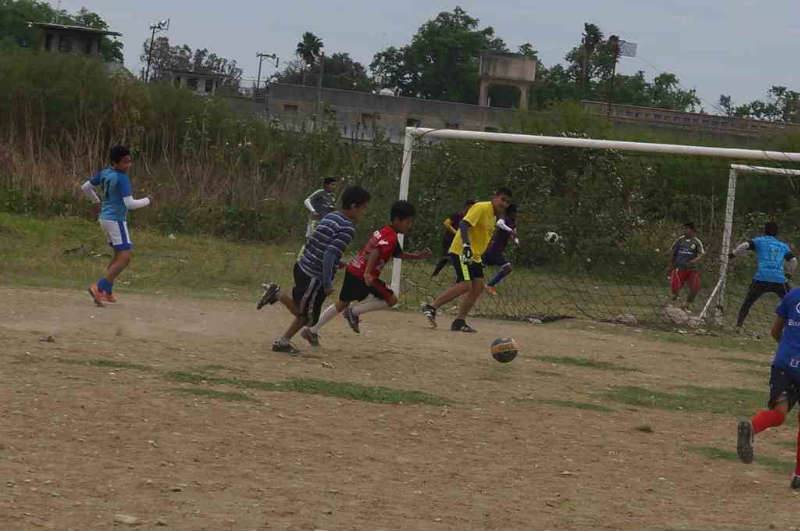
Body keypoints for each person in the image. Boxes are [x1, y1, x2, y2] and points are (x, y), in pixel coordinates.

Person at [257, 186, 371, 355]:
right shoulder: (347, 228)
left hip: (302, 265)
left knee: (305, 313)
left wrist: (335, 263)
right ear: (354, 206)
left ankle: (282, 332)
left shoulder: (331, 216)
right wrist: (327, 282)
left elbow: (317, 242)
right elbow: (329, 254)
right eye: (364, 207)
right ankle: (281, 326)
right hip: (314, 276)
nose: (364, 212)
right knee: (306, 316)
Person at [301, 200, 432, 345]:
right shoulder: (391, 237)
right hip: (363, 274)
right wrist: (368, 273)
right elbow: (376, 251)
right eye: (408, 222)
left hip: (354, 269)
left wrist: (417, 256)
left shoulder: (385, 231)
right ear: (397, 220)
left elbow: (397, 254)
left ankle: (312, 330)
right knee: (391, 300)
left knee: (342, 302)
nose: (409, 226)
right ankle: (353, 312)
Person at [421, 187, 513, 333]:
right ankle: (431, 307)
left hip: (474, 256)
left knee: (478, 287)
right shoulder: (481, 207)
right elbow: (464, 224)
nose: (504, 203)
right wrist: (466, 245)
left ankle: (459, 321)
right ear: (494, 197)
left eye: (507, 202)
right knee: (466, 285)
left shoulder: (494, 216)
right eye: (502, 199)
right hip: (462, 252)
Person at [736, 286, 800, 489]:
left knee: (778, 413)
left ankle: (752, 427)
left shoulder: (793, 295)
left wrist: (788, 349)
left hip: (783, 365)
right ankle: (798, 475)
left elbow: (775, 331)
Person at [80, 145, 151, 306]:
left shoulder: (106, 173)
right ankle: (99, 287)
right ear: (115, 162)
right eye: (125, 162)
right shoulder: (122, 178)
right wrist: (149, 200)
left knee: (118, 255)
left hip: (104, 219)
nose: (129, 165)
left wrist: (96, 201)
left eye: (130, 161)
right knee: (125, 257)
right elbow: (130, 204)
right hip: (116, 220)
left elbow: (85, 187)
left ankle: (107, 292)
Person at [729, 222, 797, 330]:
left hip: (761, 278)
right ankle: (795, 325)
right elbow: (793, 261)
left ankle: (738, 326)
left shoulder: (759, 241)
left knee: (748, 302)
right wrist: (788, 275)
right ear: (776, 233)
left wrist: (733, 254)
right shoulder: (783, 245)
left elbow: (744, 245)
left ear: (764, 230)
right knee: (792, 302)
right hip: (779, 279)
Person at [432, 199, 476, 277]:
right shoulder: (456, 215)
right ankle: (435, 274)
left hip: (461, 242)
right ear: (466, 207)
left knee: (463, 258)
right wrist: (456, 233)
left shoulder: (470, 218)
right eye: (470, 208)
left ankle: (463, 275)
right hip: (449, 240)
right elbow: (446, 223)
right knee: (446, 257)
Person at [484, 204, 520, 296]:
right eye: (516, 212)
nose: (517, 214)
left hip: (498, 250)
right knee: (508, 268)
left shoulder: (513, 222)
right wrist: (510, 230)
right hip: (494, 249)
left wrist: (516, 241)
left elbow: (514, 234)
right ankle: (489, 285)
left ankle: (468, 283)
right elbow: (499, 223)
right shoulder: (505, 218)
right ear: (511, 212)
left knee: (478, 266)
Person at [668, 222, 705, 310]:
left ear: (692, 230)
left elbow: (701, 254)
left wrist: (693, 261)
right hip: (679, 268)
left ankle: (687, 304)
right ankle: (673, 303)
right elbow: (673, 251)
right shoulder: (680, 240)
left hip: (691, 269)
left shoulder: (696, 241)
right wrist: (670, 264)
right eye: (684, 228)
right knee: (675, 289)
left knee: (695, 286)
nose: (684, 230)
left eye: (686, 229)